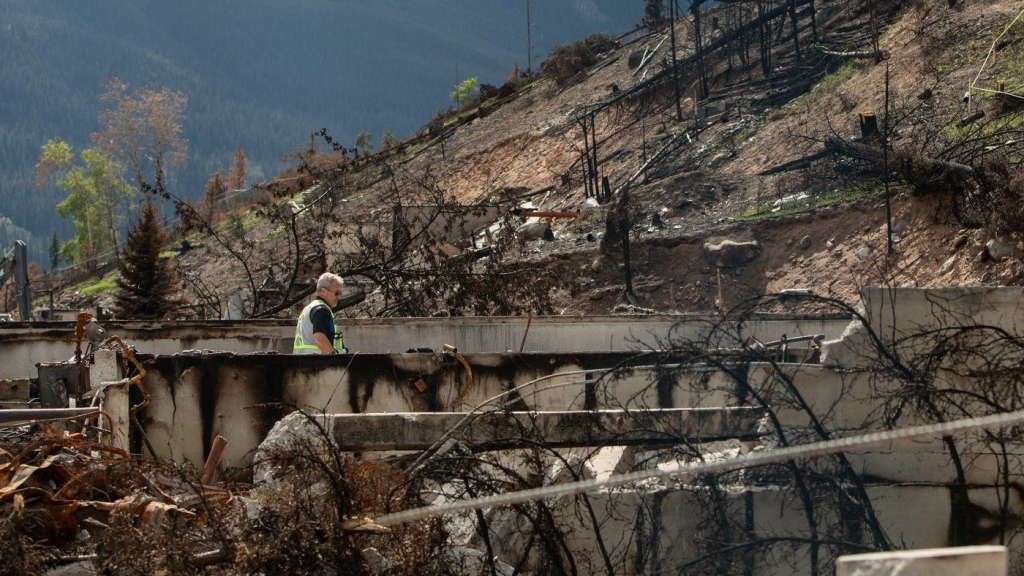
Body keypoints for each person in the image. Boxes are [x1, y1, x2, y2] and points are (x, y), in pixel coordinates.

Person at [293, 272, 348, 354]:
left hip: (303, 363)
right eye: (336, 293)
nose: (338, 297)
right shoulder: (322, 310)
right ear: (323, 291)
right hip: (318, 364)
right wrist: (335, 362)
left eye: (340, 293)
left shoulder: (309, 308)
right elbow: (320, 339)